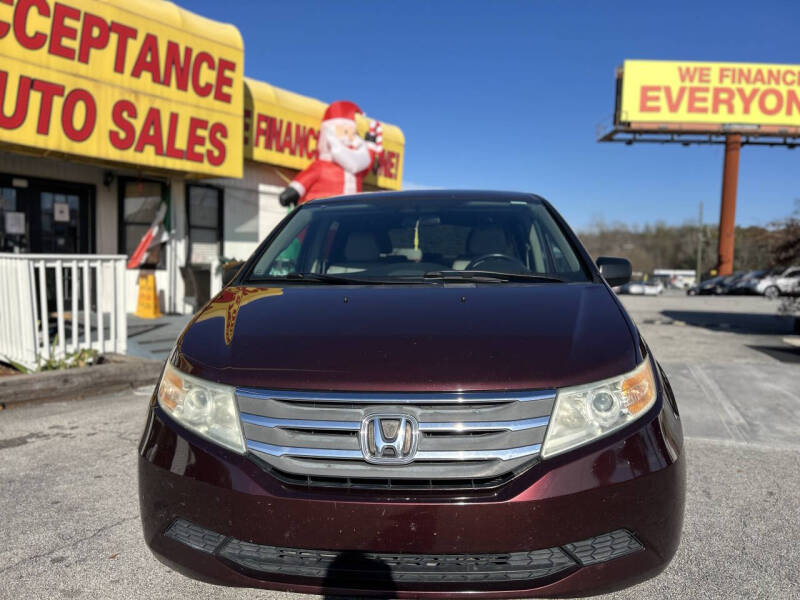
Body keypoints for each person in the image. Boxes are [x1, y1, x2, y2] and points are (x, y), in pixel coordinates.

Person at [279, 100, 382, 207]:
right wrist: (293, 191)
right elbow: (306, 179)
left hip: (350, 213)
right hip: (323, 212)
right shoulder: (321, 166)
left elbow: (364, 163)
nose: (350, 138)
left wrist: (370, 147)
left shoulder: (356, 170)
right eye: (345, 131)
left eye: (352, 133)